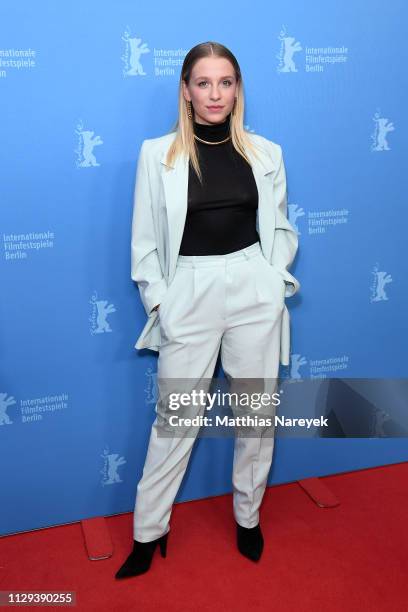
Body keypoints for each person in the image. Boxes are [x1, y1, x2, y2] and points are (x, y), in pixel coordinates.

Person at [115, 41, 300, 580]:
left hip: (252, 287)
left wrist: (272, 277)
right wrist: (162, 301)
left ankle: (248, 516)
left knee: (256, 416)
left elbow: (282, 227)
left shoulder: (267, 153)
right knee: (175, 421)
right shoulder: (158, 154)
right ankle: (149, 532)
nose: (214, 93)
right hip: (188, 292)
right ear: (187, 91)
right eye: (203, 83)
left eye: (225, 82)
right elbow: (144, 242)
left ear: (237, 89)